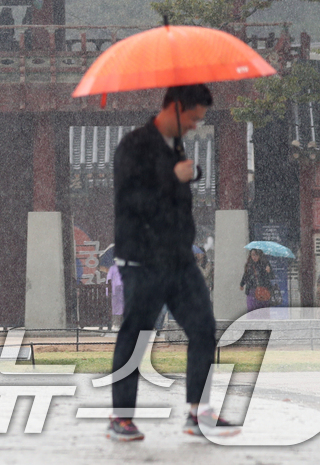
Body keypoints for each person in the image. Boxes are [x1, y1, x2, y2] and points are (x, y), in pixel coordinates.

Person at [106, 84, 239, 443]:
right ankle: (120, 417)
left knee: (203, 328)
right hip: (142, 259)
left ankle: (198, 413)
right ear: (176, 108)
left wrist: (188, 174)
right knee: (135, 334)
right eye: (194, 118)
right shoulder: (133, 145)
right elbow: (131, 199)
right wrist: (174, 177)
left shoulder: (175, 147)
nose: (196, 126)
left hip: (180, 261)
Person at [106, 262, 125, 331]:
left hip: (123, 291)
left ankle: (121, 323)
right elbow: (108, 279)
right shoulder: (113, 268)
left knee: (120, 307)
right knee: (116, 308)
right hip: (115, 292)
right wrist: (108, 291)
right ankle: (117, 323)